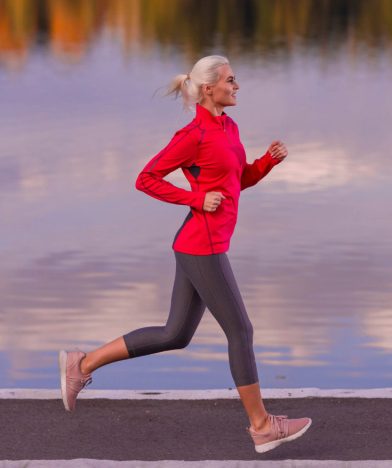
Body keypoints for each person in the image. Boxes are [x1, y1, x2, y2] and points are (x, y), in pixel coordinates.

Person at [58, 54, 312, 454]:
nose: (237, 85)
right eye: (230, 80)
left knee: (175, 333)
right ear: (209, 88)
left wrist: (265, 163)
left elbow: (234, 180)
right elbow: (146, 179)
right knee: (240, 331)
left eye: (236, 78)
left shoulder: (229, 127)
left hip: (200, 244)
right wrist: (195, 198)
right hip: (202, 245)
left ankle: (82, 364)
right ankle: (262, 425)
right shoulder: (192, 135)